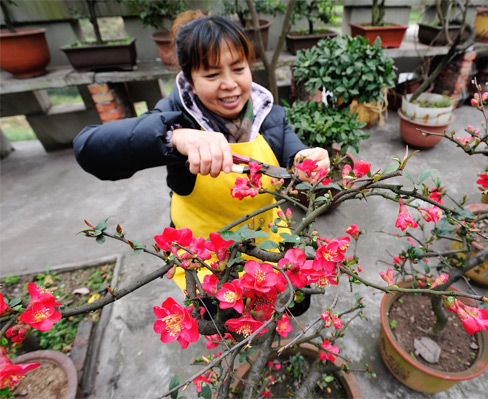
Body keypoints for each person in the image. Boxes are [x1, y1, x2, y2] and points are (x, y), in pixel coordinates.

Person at [73, 15, 330, 295]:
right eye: (211, 74)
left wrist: (307, 161)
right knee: (220, 316)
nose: (230, 83)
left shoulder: (269, 115)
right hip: (206, 255)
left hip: (265, 239)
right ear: (190, 81)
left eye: (238, 68)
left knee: (289, 298)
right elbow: (88, 148)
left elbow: (294, 155)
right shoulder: (176, 118)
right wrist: (175, 136)